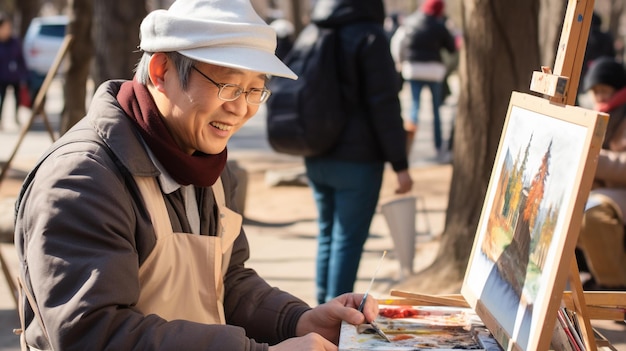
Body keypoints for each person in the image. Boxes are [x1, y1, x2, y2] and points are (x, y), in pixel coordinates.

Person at [13, 1, 379, 350]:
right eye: (228, 86)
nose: (240, 109)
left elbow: (225, 281)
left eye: (255, 90)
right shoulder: (82, 179)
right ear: (161, 72)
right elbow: (93, 334)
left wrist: (299, 320)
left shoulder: (206, 159)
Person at [303, 0, 413, 305]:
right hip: (357, 160)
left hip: (315, 151)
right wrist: (400, 164)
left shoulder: (315, 30)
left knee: (328, 235)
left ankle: (319, 313)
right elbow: (384, 104)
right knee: (346, 241)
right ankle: (332, 318)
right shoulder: (370, 35)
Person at [576, 56, 626, 290]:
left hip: (619, 192)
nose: (601, 97)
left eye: (605, 90)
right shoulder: (597, 115)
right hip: (602, 189)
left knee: (593, 215)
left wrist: (594, 158)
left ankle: (614, 285)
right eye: (596, 91)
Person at [390, 0, 456, 158]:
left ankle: (406, 148)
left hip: (413, 70)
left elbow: (397, 43)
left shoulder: (410, 21)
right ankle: (439, 148)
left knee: (414, 109)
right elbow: (451, 47)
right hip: (434, 71)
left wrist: (400, 63)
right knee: (436, 111)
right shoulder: (440, 25)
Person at [0, 12, 28, 129]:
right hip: (2, 76)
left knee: (17, 98)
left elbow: (21, 59)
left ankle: (16, 117)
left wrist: (24, 75)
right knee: (2, 99)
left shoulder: (15, 41)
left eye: (9, 27)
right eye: (5, 27)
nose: (8, 30)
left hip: (15, 75)